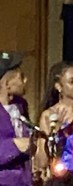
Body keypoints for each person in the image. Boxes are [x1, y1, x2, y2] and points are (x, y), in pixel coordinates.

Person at [0, 51, 34, 185]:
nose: (25, 80)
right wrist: (14, 145)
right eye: (21, 76)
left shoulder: (20, 105)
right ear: (7, 84)